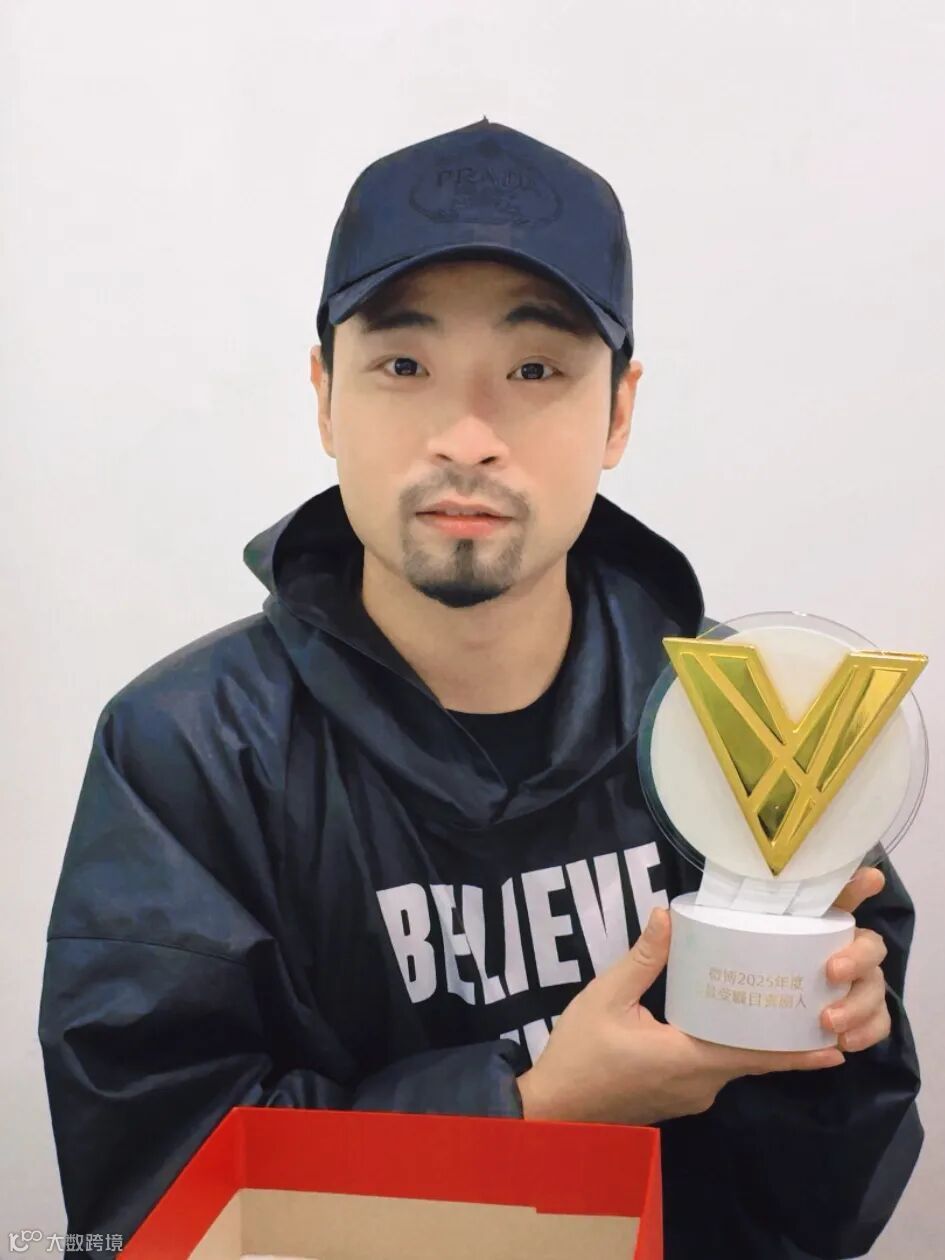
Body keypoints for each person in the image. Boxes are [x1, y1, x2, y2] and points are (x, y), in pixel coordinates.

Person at [38, 118, 922, 1259]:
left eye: (535, 370)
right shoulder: (190, 750)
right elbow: (153, 1204)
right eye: (403, 366)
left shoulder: (748, 724)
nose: (466, 437)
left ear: (619, 410)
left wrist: (826, 1045)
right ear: (324, 395)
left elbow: (820, 1210)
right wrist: (533, 1112)